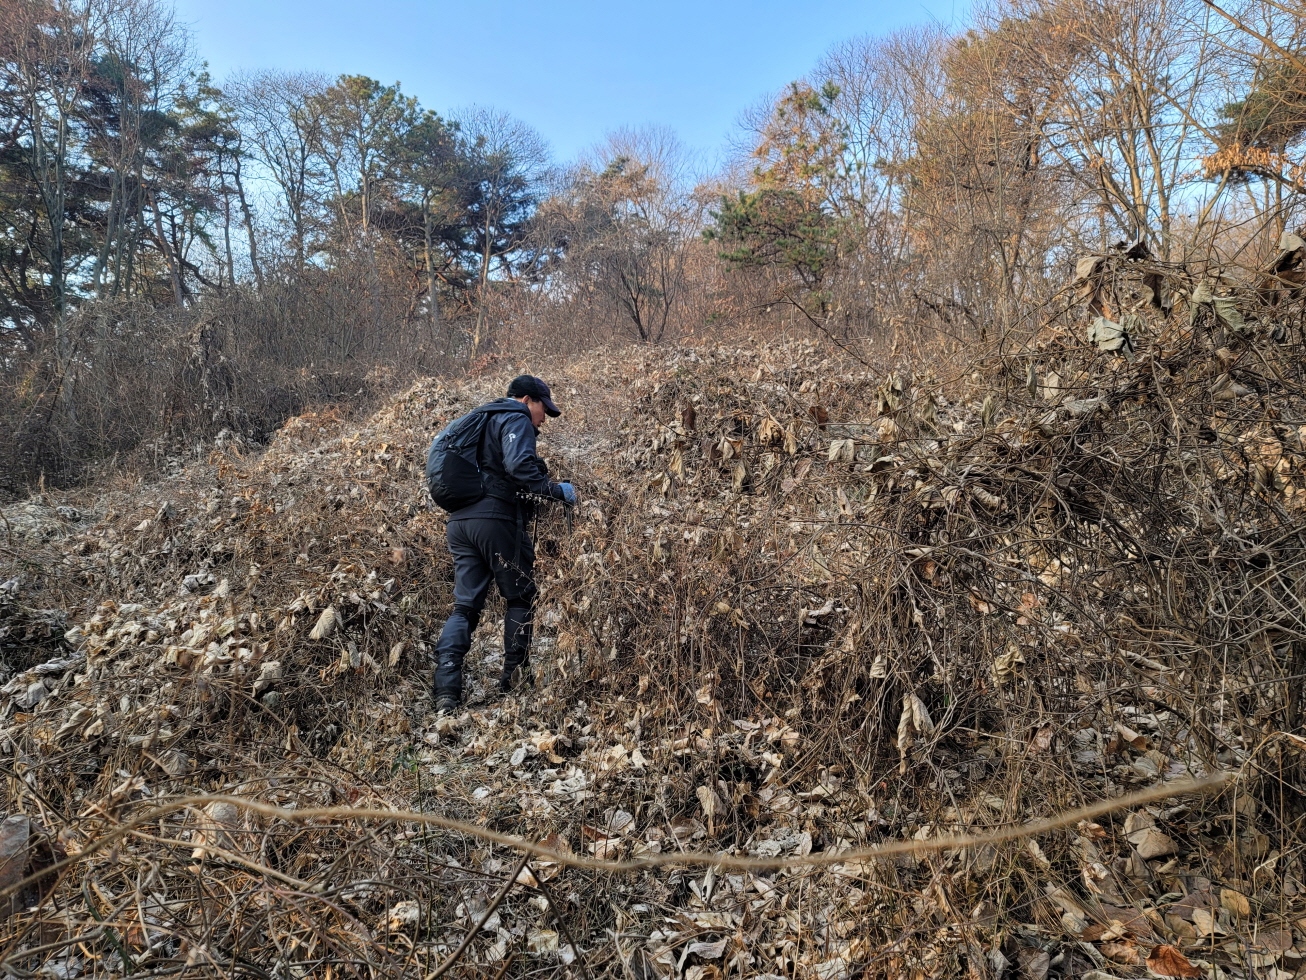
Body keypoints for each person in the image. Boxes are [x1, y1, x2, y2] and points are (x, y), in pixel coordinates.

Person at [431, 375, 576, 714]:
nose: (543, 419)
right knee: (521, 596)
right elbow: (519, 465)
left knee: (465, 606)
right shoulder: (514, 416)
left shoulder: (479, 418)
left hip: (459, 523)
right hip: (495, 518)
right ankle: (515, 680)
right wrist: (557, 491)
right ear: (527, 400)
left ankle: (446, 691)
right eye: (543, 409)